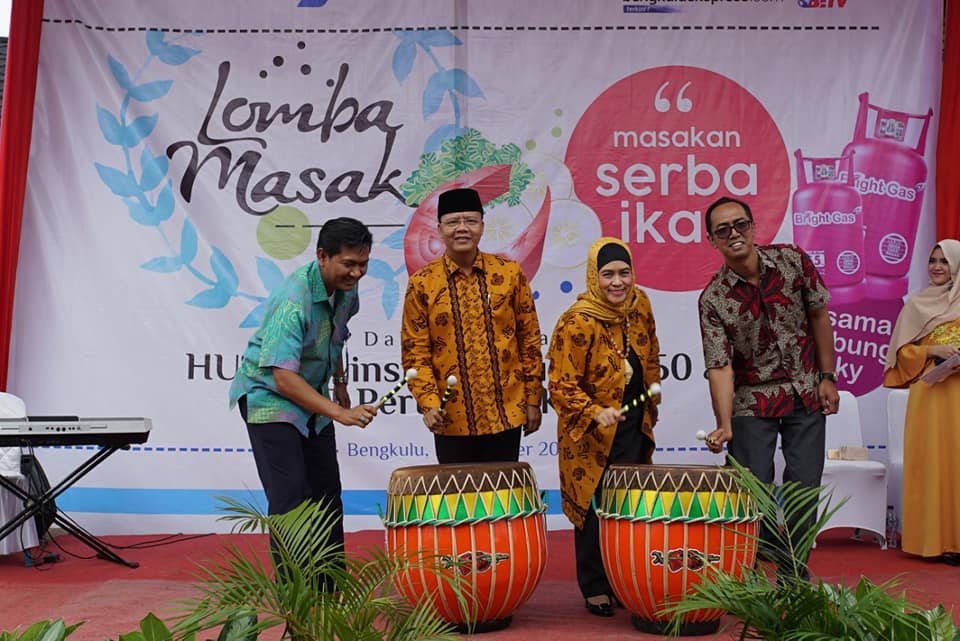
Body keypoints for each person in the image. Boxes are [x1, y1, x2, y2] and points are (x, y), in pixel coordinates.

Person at [228, 217, 379, 583]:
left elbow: (336, 335)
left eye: (364, 264)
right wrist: (340, 412)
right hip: (270, 397)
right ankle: (298, 596)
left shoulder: (347, 288)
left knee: (328, 494)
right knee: (291, 499)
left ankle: (329, 587)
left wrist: (339, 382)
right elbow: (282, 377)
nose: (357, 273)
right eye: (349, 264)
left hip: (312, 395)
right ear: (322, 256)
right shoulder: (293, 299)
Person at [698, 196, 839, 577]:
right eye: (723, 230)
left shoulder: (793, 260)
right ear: (712, 240)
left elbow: (819, 315)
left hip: (805, 390)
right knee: (750, 490)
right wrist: (724, 423)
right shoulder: (713, 299)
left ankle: (793, 572)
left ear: (753, 226)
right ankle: (759, 562)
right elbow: (720, 366)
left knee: (803, 487)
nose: (734, 234)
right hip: (751, 402)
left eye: (740, 224)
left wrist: (828, 377)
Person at [547, 238, 661, 617]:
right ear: (594, 277)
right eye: (608, 274)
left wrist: (649, 402)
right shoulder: (577, 320)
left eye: (624, 273)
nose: (617, 282)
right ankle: (595, 586)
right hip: (589, 434)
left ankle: (624, 579)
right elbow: (561, 384)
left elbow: (652, 351)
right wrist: (594, 411)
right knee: (593, 507)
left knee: (627, 504)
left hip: (630, 425)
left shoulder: (639, 304)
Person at [401, 187, 544, 464]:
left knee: (503, 501)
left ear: (482, 226)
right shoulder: (423, 283)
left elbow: (529, 340)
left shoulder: (509, 273)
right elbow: (415, 351)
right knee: (458, 502)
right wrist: (429, 404)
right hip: (450, 416)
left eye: (470, 220)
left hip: (507, 410)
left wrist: (533, 399)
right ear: (440, 230)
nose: (462, 228)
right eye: (453, 222)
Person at [883, 239, 960, 565]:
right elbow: (899, 356)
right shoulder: (916, 304)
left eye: (945, 261)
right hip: (931, 397)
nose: (938, 267)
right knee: (933, 465)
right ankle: (936, 543)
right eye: (933, 260)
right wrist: (933, 351)